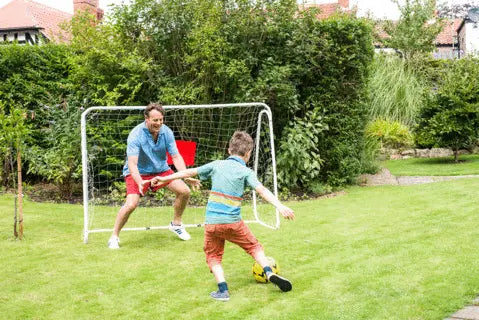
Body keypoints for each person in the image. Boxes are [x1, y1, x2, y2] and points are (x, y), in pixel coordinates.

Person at [150, 131, 295, 301]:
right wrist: (280, 206)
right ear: (248, 153)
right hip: (233, 223)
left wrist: (163, 179)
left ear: (229, 150)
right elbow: (261, 191)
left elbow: (187, 173)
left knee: (213, 256)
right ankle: (269, 272)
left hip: (212, 223)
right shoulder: (246, 172)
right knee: (254, 247)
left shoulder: (217, 165)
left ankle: (223, 291)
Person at [107, 103, 200, 249]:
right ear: (146, 119)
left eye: (161, 120)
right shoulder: (136, 134)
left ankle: (176, 225)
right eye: (155, 120)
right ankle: (114, 236)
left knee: (185, 191)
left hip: (161, 170)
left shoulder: (166, 132)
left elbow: (175, 157)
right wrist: (139, 182)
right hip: (138, 172)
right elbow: (132, 163)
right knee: (131, 204)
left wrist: (186, 176)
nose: (159, 123)